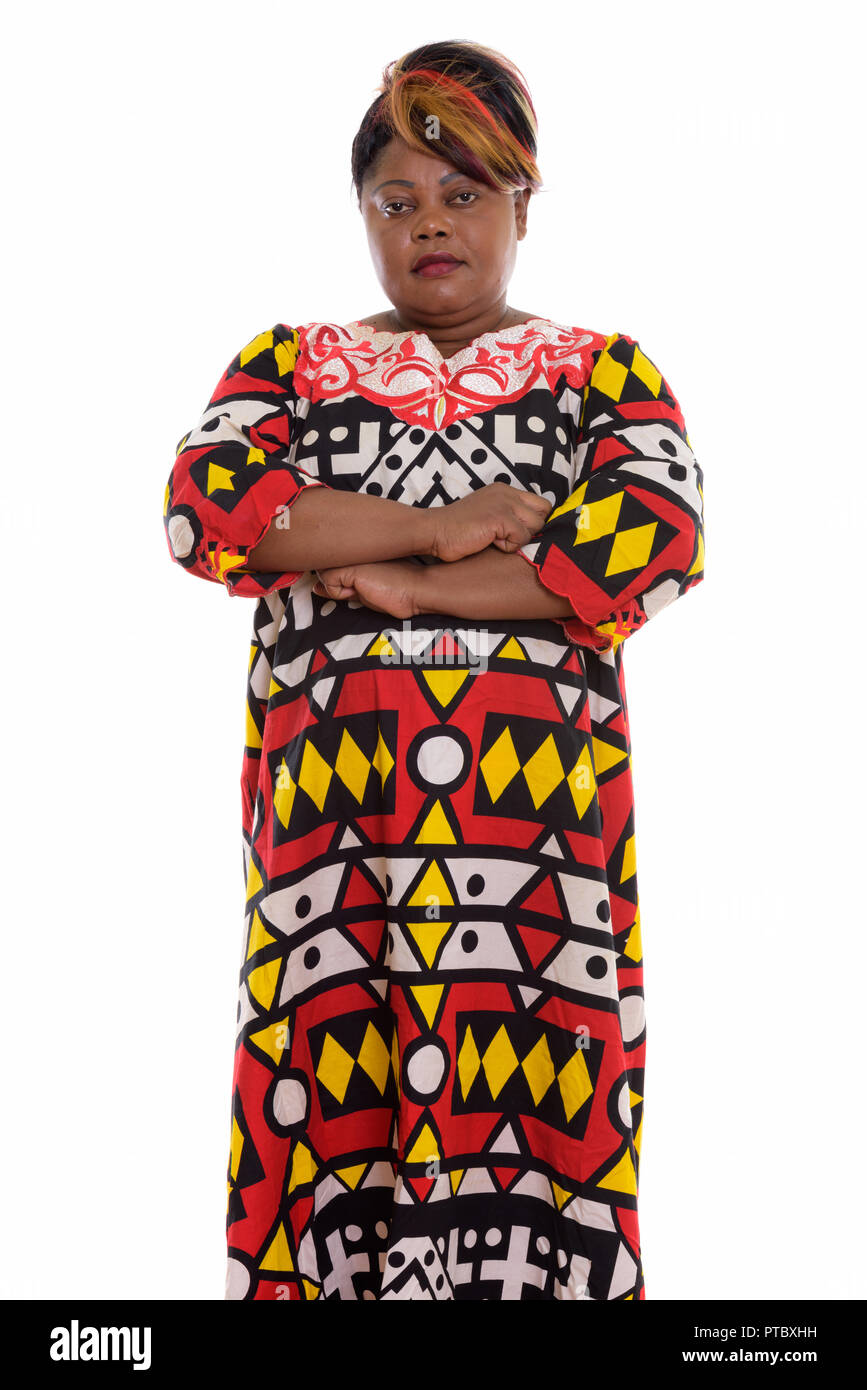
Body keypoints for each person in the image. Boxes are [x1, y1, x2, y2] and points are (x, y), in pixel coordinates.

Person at [162, 38, 704, 1302]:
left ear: (522, 202)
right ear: (362, 215)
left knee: (535, 1145)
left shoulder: (600, 374)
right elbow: (210, 512)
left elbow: (652, 539)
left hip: (536, 878)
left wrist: (405, 586)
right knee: (326, 1135)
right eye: (396, 202)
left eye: (464, 195)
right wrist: (442, 523)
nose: (429, 227)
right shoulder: (288, 366)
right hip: (331, 865)